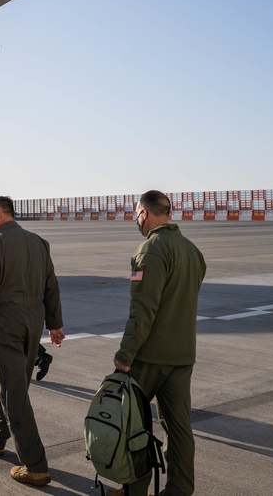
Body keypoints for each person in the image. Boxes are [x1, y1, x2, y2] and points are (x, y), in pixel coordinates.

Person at [108, 190, 206, 496]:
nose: (136, 220)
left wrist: (125, 354)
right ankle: (179, 490)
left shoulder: (150, 250)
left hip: (150, 356)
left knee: (133, 426)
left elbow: (143, 311)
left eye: (136, 213)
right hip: (182, 354)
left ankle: (132, 492)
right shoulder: (192, 250)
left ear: (146, 213)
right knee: (179, 429)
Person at [0, 196, 65, 487]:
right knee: (14, 382)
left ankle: (35, 465)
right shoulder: (39, 242)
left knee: (13, 390)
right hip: (33, 321)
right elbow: (51, 285)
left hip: (6, 320)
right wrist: (55, 325)